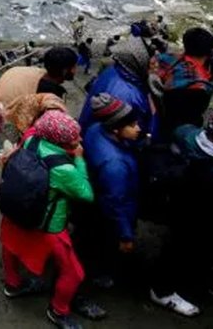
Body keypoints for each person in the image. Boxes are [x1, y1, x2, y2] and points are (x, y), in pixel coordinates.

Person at [149, 111, 213, 316]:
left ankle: (178, 280)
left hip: (175, 197)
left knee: (177, 243)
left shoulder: (185, 133)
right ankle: (162, 291)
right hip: (203, 213)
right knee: (186, 247)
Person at [0, 110, 95, 329]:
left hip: (17, 211)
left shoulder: (32, 139)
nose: (79, 140)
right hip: (49, 225)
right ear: (61, 141)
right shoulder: (64, 168)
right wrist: (79, 159)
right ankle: (58, 310)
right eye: (74, 139)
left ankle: (13, 284)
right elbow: (86, 193)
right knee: (73, 272)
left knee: (10, 246)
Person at [75, 93, 143, 293]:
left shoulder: (96, 130)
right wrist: (126, 235)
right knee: (100, 244)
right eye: (132, 125)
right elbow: (116, 202)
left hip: (93, 197)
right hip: (106, 209)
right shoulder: (115, 165)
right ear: (116, 129)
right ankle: (93, 279)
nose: (138, 127)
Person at [150, 28, 213, 141]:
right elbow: (191, 117)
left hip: (153, 112)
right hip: (173, 129)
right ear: (208, 52)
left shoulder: (164, 58)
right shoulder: (201, 86)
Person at [79, 36, 155, 136]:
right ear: (141, 64)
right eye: (152, 65)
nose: (155, 69)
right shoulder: (128, 95)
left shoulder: (113, 70)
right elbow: (133, 133)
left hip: (89, 130)